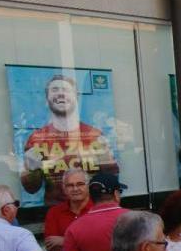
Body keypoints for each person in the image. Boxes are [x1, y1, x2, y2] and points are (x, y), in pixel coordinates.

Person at [20, 74, 118, 206]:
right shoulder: (37, 139)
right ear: (46, 99)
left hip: (91, 209)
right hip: (57, 211)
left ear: (76, 97)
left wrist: (106, 161)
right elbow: (31, 189)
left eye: (66, 90)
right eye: (55, 90)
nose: (60, 93)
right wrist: (31, 170)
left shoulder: (94, 135)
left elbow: (112, 177)